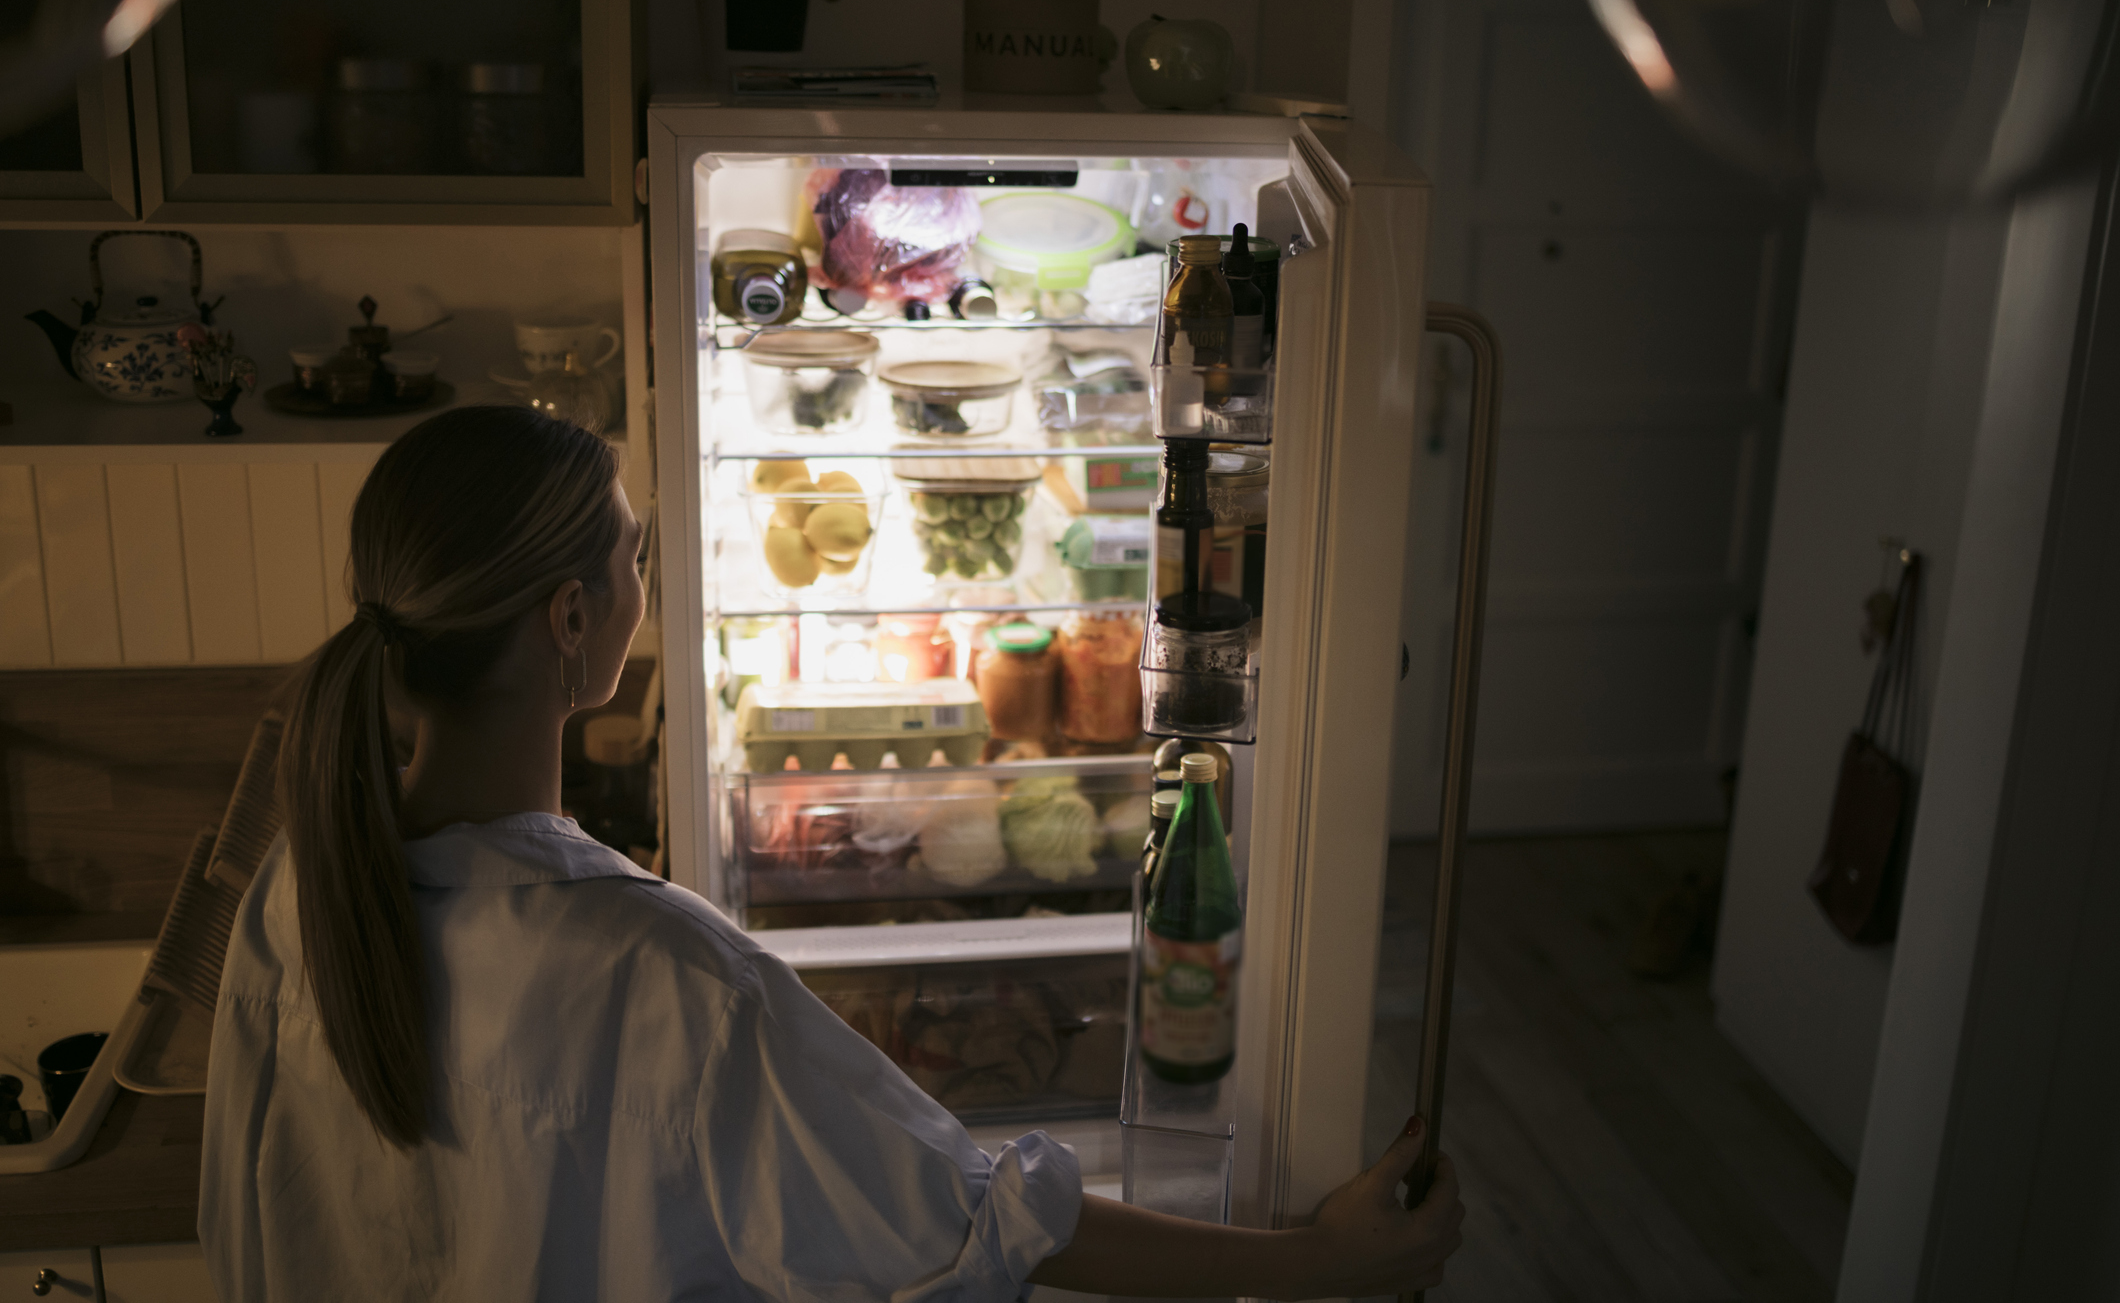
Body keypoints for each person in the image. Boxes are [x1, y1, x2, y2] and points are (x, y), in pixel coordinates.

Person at [200, 406, 1463, 1300]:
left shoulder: (292, 890)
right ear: (571, 620)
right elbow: (975, 1218)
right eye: (635, 552)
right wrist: (1319, 1262)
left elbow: (243, 1226)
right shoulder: (662, 974)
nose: (648, 573)